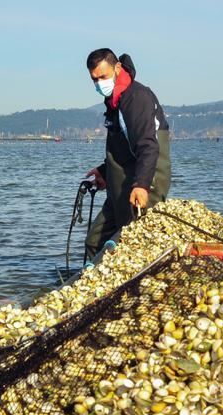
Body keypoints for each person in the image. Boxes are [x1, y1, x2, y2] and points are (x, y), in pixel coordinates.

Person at [81, 48, 171, 259]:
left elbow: (148, 146)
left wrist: (141, 185)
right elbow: (123, 145)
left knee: (135, 246)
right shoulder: (114, 100)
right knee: (95, 242)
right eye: (94, 79)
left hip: (147, 179)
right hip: (119, 185)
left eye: (103, 76)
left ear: (118, 68)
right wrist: (105, 171)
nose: (99, 83)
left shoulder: (136, 98)